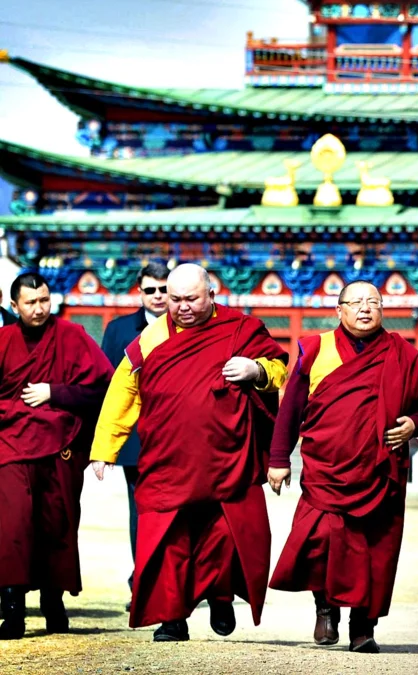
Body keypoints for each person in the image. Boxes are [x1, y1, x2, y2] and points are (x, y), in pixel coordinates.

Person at [90, 263, 288, 642]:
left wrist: (256, 370)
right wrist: (105, 448)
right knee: (168, 539)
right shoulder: (152, 338)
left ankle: (219, 596)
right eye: (174, 299)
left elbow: (278, 368)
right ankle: (172, 618)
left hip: (225, 458)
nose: (181, 307)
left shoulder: (240, 329)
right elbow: (122, 392)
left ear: (211, 295)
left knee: (223, 535)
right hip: (169, 461)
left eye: (191, 299)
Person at [267, 281, 418, 654]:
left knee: (374, 550)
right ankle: (325, 607)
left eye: (373, 302)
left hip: (380, 470)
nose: (365, 309)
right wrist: (278, 459)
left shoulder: (403, 354)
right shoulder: (316, 349)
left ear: (382, 309)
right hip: (327, 467)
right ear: (339, 310)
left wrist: (414, 424)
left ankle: (364, 625)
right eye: (356, 302)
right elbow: (291, 408)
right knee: (319, 541)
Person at [0, 273, 113, 640]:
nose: (39, 308)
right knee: (12, 526)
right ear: (13, 305)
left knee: (58, 524)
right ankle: (13, 609)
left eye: (44, 300)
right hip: (11, 446)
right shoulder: (2, 341)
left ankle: (53, 602)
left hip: (60, 447)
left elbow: (102, 389)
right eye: (30, 302)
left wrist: (56, 392)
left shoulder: (72, 337)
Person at [99, 262, 170, 611]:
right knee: (140, 512)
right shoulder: (118, 330)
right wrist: (106, 445)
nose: (158, 296)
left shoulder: (188, 325)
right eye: (150, 290)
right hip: (137, 441)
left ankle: (175, 582)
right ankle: (141, 581)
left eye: (163, 289)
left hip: (180, 437)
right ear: (139, 292)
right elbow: (107, 387)